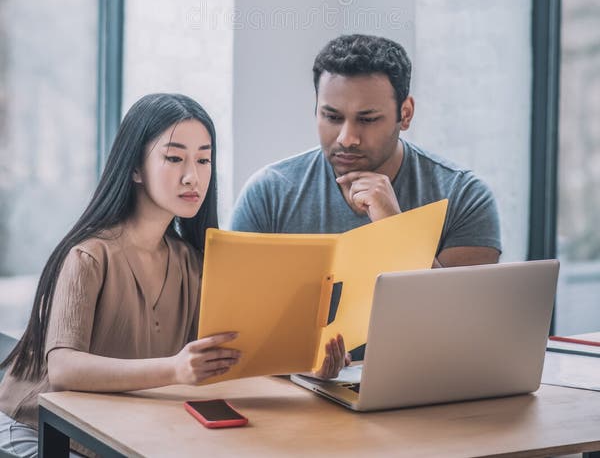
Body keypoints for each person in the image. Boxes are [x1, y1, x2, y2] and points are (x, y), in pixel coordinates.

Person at [0, 93, 347, 458]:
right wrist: (175, 369)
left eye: (203, 159)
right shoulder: (88, 256)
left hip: (112, 430)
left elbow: (228, 356)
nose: (192, 176)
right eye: (174, 157)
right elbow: (64, 368)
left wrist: (307, 369)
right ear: (135, 168)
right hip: (34, 431)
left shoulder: (190, 262)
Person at [230, 35, 501, 268]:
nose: (347, 139)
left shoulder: (464, 197)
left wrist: (394, 230)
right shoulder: (268, 194)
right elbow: (233, 309)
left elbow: (457, 319)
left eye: (367, 119)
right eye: (332, 117)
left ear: (405, 114)